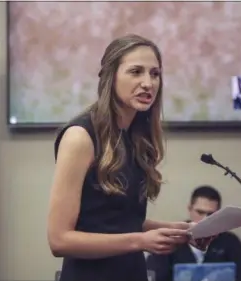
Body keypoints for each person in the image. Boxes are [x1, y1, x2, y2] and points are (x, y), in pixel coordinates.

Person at [47, 34, 192, 281]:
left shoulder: (137, 138)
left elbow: (118, 222)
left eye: (155, 74)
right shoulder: (80, 137)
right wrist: (140, 241)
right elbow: (59, 240)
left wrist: (175, 231)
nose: (148, 83)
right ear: (110, 77)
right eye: (136, 72)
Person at [147, 185, 241, 281]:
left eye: (210, 214)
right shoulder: (172, 238)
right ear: (190, 208)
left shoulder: (230, 241)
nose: (205, 219)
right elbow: (153, 276)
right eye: (200, 212)